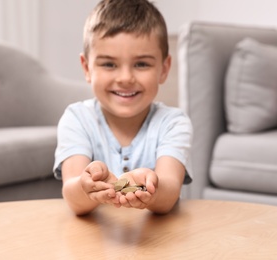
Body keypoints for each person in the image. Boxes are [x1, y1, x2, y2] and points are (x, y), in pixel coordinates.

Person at [53, 0, 192, 215]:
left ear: (164, 69)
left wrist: (150, 186)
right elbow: (73, 199)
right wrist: (86, 185)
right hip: (93, 242)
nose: (125, 78)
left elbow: (169, 193)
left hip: (158, 241)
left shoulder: (173, 123)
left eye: (141, 64)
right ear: (86, 68)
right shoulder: (76, 119)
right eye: (109, 64)